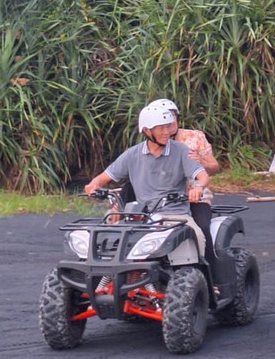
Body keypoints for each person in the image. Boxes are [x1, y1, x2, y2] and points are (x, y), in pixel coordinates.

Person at [84, 104, 210, 253]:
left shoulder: (181, 150)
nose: (166, 132)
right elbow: (103, 178)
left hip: (175, 216)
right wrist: (93, 185)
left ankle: (204, 274)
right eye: (160, 128)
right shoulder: (132, 154)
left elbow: (202, 176)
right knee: (106, 244)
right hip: (140, 216)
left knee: (198, 239)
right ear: (146, 130)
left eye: (168, 127)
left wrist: (198, 187)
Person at [144, 98, 220, 251]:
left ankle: (211, 271)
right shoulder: (152, 142)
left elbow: (215, 167)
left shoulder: (194, 137)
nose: (169, 125)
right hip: (161, 200)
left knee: (203, 228)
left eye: (172, 119)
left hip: (195, 198)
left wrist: (202, 163)